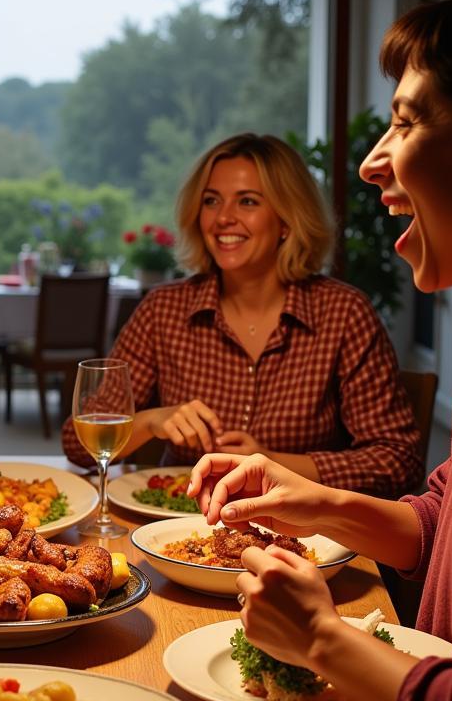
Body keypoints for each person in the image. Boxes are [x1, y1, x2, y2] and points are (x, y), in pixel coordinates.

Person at [188, 0, 452, 701]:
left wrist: (320, 639)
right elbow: (443, 527)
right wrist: (320, 502)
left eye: (406, 123)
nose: (374, 161)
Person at [62, 133, 423, 498]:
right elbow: (78, 446)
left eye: (247, 201)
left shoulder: (344, 314)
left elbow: (398, 462)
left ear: (286, 220)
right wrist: (151, 420)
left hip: (299, 535)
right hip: (172, 528)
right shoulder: (163, 310)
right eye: (211, 201)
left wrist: (271, 462)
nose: (223, 218)